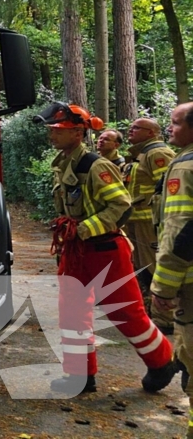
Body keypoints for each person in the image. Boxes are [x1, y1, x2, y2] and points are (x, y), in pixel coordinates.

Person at [40, 102, 176, 395]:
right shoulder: (64, 163)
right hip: (77, 251)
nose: (52, 134)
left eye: (58, 130)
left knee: (125, 312)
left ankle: (162, 361)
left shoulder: (95, 165)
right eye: (51, 129)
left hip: (105, 250)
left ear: (78, 133)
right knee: (72, 314)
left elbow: (121, 205)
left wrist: (83, 228)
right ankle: (80, 376)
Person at [150, 102, 193, 436]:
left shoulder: (185, 167)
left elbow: (182, 232)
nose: (170, 128)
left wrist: (163, 288)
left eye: (175, 123)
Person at [124, 118, 176, 332]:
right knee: (141, 267)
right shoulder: (140, 155)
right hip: (137, 220)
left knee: (153, 267)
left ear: (151, 133)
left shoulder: (157, 153)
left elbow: (166, 188)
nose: (131, 130)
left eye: (137, 128)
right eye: (131, 127)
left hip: (149, 222)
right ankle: (149, 312)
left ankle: (165, 318)